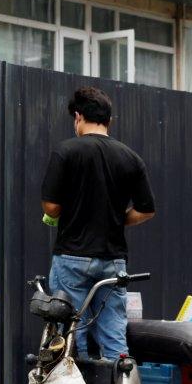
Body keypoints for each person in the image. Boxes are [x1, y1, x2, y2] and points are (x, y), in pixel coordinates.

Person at [41, 86, 156, 361]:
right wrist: (114, 219)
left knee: (71, 330)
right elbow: (147, 210)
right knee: (114, 331)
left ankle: (76, 383)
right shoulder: (131, 157)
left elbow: (51, 207)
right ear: (109, 120)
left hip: (71, 256)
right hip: (113, 260)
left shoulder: (66, 151)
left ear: (78, 117)